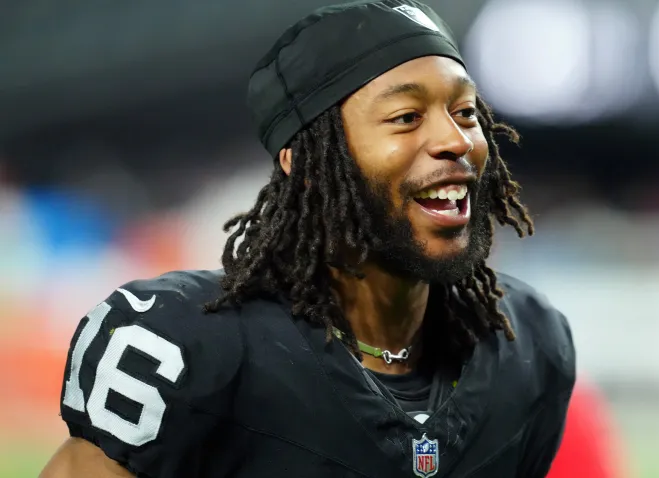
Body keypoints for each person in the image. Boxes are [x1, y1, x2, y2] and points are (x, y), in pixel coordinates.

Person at [40, 1, 576, 477]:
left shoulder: (529, 345)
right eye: (406, 117)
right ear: (309, 166)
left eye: (464, 113)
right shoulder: (189, 348)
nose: (456, 141)